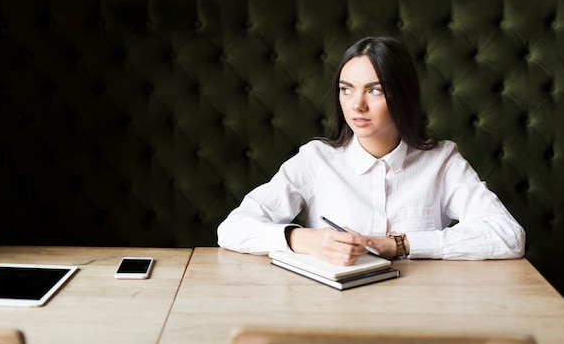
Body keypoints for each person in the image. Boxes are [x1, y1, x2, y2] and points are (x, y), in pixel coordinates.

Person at [217, 36, 525, 266]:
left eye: (374, 90)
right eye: (346, 89)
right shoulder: (316, 160)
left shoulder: (441, 161)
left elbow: (508, 236)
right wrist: (303, 239)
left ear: (402, 95)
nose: (356, 105)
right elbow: (231, 229)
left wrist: (399, 244)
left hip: (422, 315)